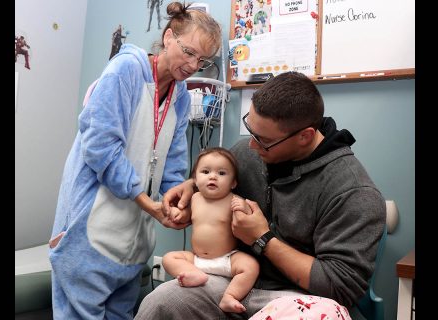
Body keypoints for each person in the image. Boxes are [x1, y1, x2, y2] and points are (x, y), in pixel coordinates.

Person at [135, 71, 386, 319]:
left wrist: (261, 238)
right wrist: (191, 186)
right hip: (229, 282)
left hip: (297, 299)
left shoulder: (353, 192)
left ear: (305, 136)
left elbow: (341, 287)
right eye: (250, 129)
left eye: (263, 140)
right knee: (162, 302)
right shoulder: (249, 153)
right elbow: (219, 176)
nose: (251, 145)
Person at [48, 2, 221, 319]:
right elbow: (101, 147)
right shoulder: (125, 70)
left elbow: (172, 162)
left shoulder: (180, 96)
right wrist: (146, 202)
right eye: (188, 52)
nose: (193, 65)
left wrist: (173, 200)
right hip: (90, 231)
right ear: (168, 37)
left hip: (132, 241)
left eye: (203, 60)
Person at [163, 147, 259, 313]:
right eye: (206, 171)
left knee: (251, 266)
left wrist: (244, 207)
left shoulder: (234, 200)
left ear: (233, 182)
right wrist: (177, 213)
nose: (213, 176)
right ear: (195, 179)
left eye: (222, 173)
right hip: (197, 260)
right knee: (169, 258)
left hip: (227, 259)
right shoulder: (194, 198)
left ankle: (230, 296)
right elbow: (186, 216)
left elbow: (250, 219)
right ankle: (193, 275)